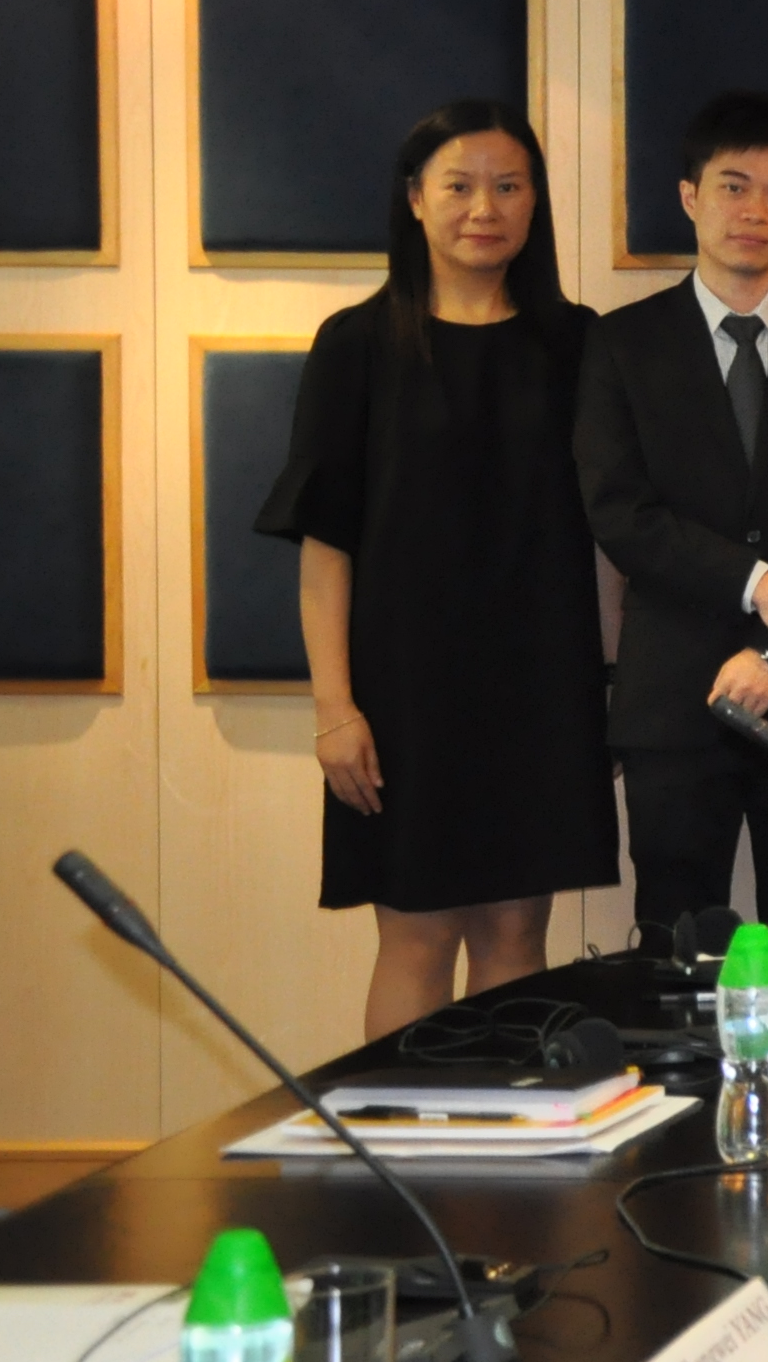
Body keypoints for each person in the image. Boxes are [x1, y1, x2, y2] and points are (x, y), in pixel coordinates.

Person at [260, 100, 617, 1036]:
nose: (484, 208)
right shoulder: (357, 344)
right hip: (404, 693)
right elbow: (325, 545)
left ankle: (513, 1130)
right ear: (414, 199)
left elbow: (613, 529)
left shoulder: (577, 343)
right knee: (416, 937)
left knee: (517, 935)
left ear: (535, 202)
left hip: (542, 685)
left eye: (509, 186)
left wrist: (613, 682)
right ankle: (401, 1129)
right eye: (459, 185)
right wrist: (334, 709)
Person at [574, 89, 768, 932]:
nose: (755, 212)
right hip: (674, 696)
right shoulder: (620, 343)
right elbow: (619, 511)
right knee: (677, 947)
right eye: (733, 187)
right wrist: (759, 586)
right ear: (689, 196)